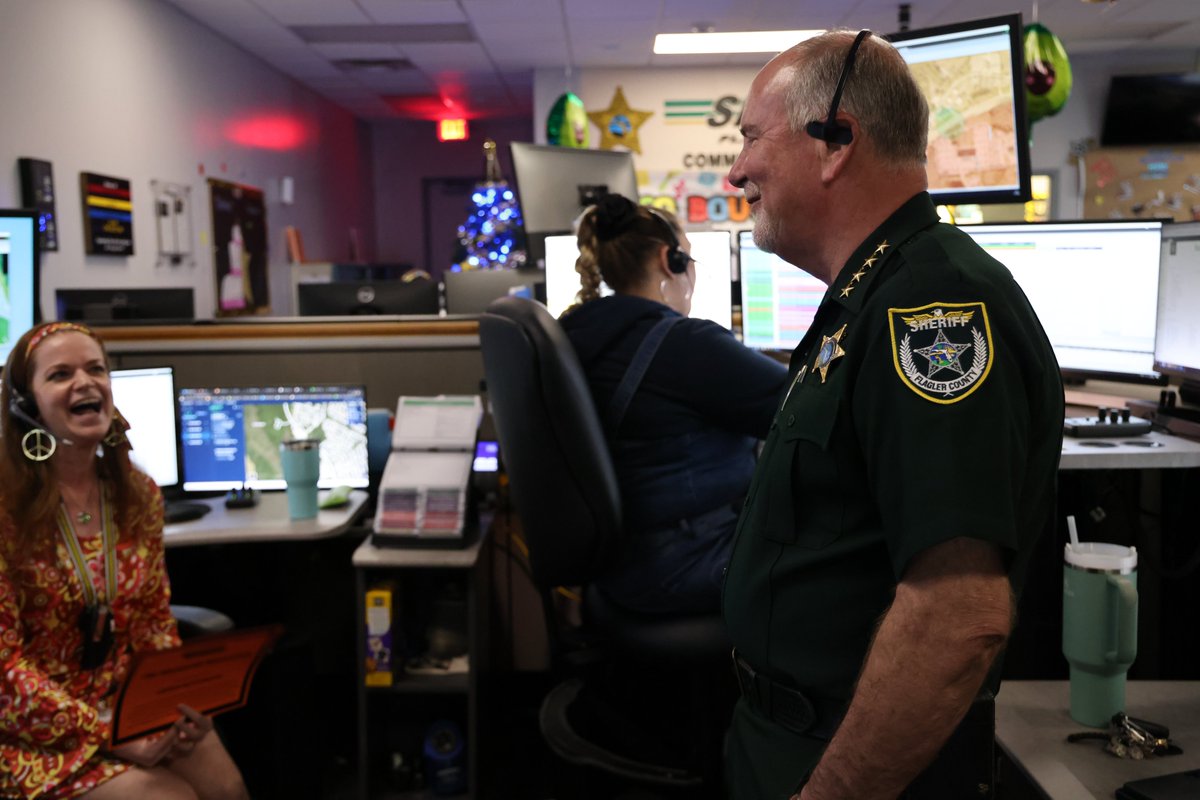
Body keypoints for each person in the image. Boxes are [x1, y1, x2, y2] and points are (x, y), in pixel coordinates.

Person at [721, 30, 1064, 799]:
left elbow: (956, 617)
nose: (737, 170)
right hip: (784, 738)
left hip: (855, 766)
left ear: (836, 140)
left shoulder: (931, 309)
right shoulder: (868, 299)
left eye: (749, 138)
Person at [0, 322, 249, 800]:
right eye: (60, 374)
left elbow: (153, 621)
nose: (85, 382)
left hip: (129, 706)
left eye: (96, 369)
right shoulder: (7, 512)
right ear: (26, 405)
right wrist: (102, 730)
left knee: (227, 787)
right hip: (34, 729)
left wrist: (175, 701)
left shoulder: (138, 496)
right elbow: (5, 668)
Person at [559, 194, 787, 615]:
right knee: (845, 557)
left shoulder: (573, 332)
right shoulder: (685, 344)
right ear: (672, 261)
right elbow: (805, 408)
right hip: (689, 562)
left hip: (623, 566)